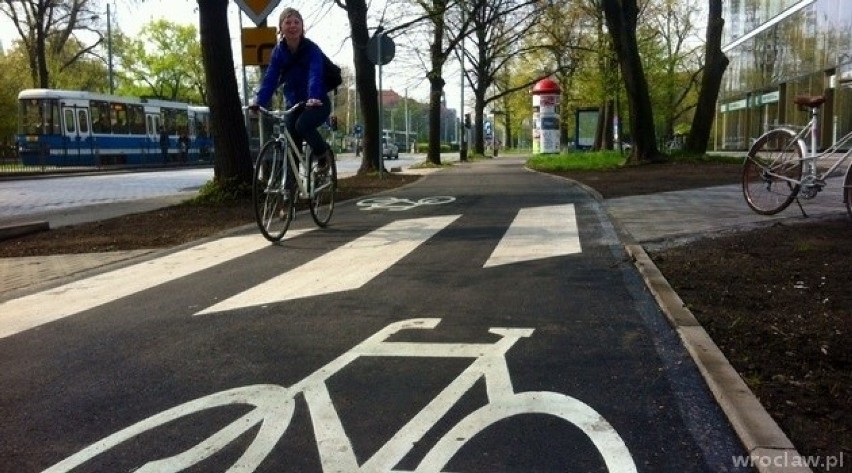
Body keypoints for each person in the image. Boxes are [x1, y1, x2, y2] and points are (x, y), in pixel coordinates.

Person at [250, 7, 333, 180]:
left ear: (303, 27)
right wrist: (259, 101)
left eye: (297, 22)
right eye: (288, 22)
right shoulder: (278, 52)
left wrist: (314, 96)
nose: (292, 26)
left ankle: (323, 155)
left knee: (302, 126)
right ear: (281, 28)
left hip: (317, 103)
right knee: (290, 144)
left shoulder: (312, 49)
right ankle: (289, 194)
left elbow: (315, 74)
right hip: (294, 104)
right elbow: (270, 78)